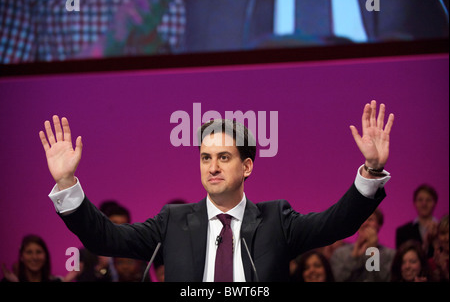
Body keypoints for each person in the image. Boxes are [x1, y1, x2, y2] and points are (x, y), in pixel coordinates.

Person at [39, 100, 394, 282]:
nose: (212, 167)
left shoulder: (276, 219)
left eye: (224, 157)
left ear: (247, 166)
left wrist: (372, 170)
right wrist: (68, 182)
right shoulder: (172, 221)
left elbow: (336, 224)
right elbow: (105, 239)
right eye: (206, 157)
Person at [330, 208, 395, 281]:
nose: (365, 223)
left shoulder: (391, 255)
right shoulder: (340, 254)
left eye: (370, 220)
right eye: (362, 219)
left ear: (379, 225)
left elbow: (386, 279)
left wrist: (372, 252)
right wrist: (354, 257)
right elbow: (338, 279)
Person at [395, 184, 439, 258]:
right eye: (420, 200)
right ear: (414, 203)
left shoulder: (442, 230)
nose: (424, 204)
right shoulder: (403, 232)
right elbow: (400, 260)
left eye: (428, 200)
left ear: (434, 203)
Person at [428, 214, 449, 282]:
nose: (447, 238)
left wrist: (445, 273)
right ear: (438, 236)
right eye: (443, 233)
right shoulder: (431, 263)